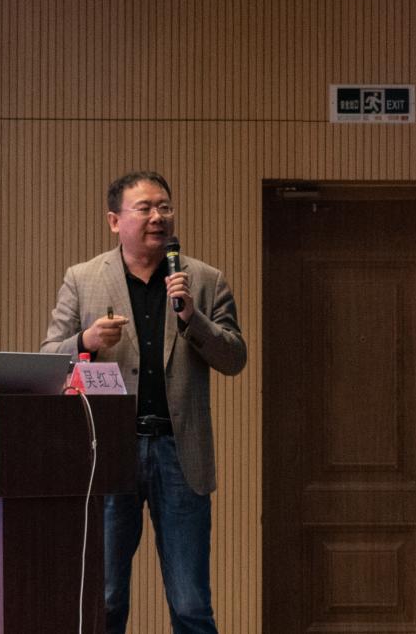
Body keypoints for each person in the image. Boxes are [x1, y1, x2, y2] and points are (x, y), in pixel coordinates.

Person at [41, 170, 246, 633]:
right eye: (145, 208)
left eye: (165, 207)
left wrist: (193, 318)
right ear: (115, 221)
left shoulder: (204, 280)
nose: (158, 217)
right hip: (111, 452)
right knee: (106, 597)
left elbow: (235, 359)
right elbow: (49, 357)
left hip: (181, 453)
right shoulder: (83, 279)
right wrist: (86, 340)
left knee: (191, 603)